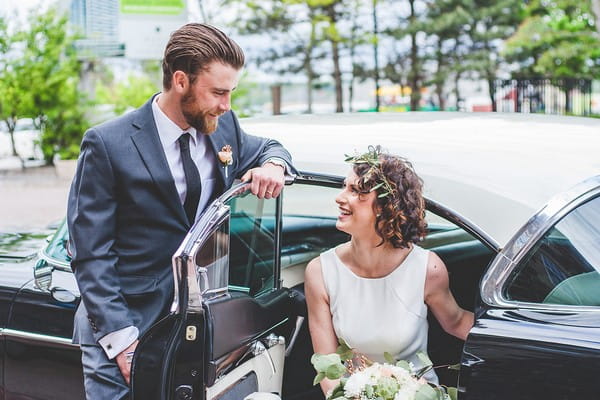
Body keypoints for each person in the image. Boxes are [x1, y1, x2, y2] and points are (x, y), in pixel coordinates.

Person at [67, 23, 295, 399]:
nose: (227, 105)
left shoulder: (224, 127)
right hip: (124, 328)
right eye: (219, 92)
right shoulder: (107, 143)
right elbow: (90, 254)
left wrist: (273, 166)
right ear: (180, 81)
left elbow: (270, 146)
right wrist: (123, 343)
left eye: (231, 93)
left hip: (194, 328)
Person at [304, 146, 473, 395]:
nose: (340, 198)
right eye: (344, 187)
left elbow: (457, 322)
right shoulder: (320, 272)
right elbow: (329, 366)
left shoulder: (427, 268)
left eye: (355, 191)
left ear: (386, 207)